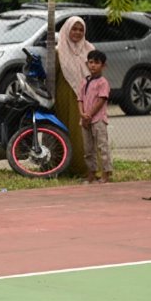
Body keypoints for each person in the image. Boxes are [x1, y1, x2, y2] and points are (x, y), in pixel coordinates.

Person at [55, 16, 95, 177]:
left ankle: (86, 169)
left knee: (83, 133)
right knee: (65, 130)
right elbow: (54, 75)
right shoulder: (59, 51)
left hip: (86, 97)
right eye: (74, 28)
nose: (77, 32)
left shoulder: (90, 49)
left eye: (81, 29)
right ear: (67, 29)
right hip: (65, 95)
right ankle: (64, 168)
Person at [78, 50, 113, 184]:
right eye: (91, 62)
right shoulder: (84, 81)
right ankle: (91, 173)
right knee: (88, 149)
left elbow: (101, 100)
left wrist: (89, 114)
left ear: (103, 66)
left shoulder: (103, 82)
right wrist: (82, 114)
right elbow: (79, 99)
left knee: (102, 147)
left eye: (97, 63)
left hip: (98, 120)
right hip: (85, 120)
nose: (93, 65)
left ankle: (106, 174)